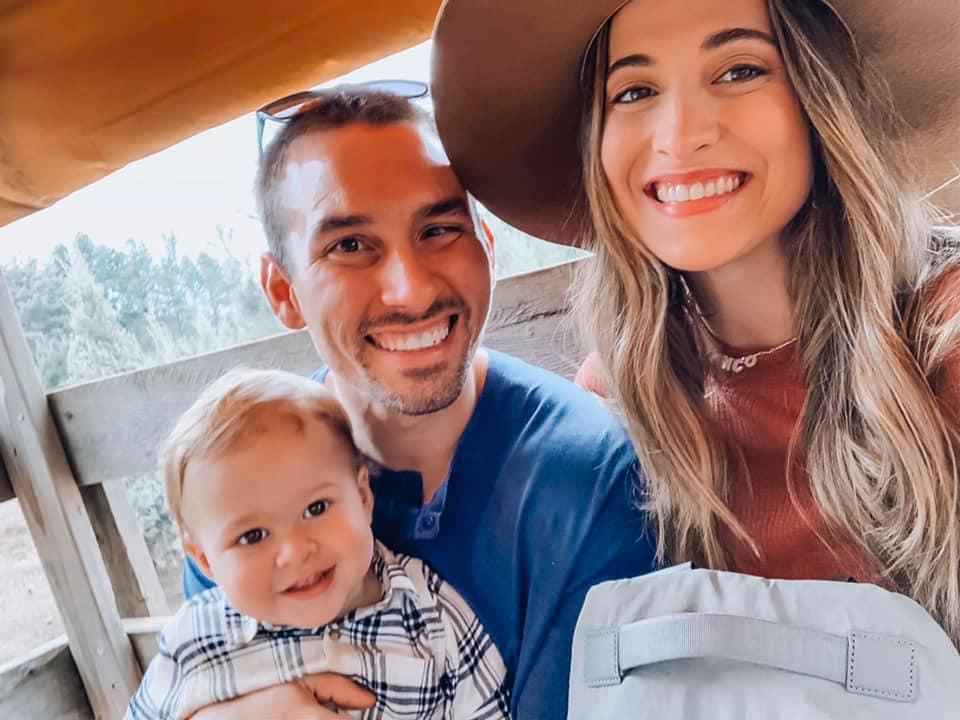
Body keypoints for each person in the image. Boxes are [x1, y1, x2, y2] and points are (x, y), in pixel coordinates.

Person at [431, 0, 960, 646]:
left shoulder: (942, 335)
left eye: (738, 71)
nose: (679, 136)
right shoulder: (615, 399)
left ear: (820, 96)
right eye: (634, 91)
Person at [185, 88, 658, 718]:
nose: (409, 290)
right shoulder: (236, 476)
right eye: (350, 246)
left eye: (438, 230)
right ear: (283, 291)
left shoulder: (592, 482)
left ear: (487, 245)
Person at [128, 368, 510, 720]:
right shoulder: (193, 641)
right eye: (252, 536)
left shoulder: (435, 620)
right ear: (206, 562)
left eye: (316, 508)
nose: (296, 550)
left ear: (363, 497)